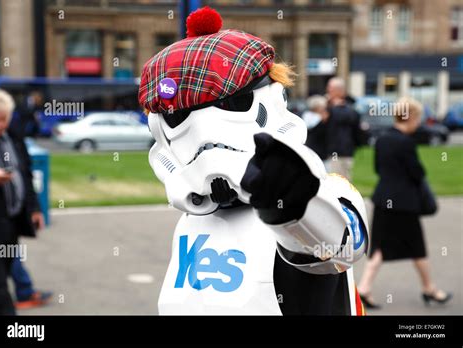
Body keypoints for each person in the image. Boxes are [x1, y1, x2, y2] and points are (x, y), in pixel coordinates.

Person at [139, 7, 369, 315]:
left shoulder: (327, 191)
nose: (207, 137)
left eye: (233, 102)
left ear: (273, 101)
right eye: (178, 116)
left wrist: (296, 205)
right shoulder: (193, 221)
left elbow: (338, 246)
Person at [357, 97, 452, 309]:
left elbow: (378, 169)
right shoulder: (406, 142)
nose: (419, 122)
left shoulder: (382, 139)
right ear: (412, 117)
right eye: (418, 117)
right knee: (416, 246)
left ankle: (363, 288)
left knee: (380, 246)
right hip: (404, 203)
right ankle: (430, 289)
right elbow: (417, 173)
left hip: (383, 199)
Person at [0, 88, 45, 315]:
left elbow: (26, 172)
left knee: (2, 274)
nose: (0, 124)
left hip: (10, 224)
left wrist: (34, 208)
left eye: (4, 119)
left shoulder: (12, 136)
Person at [325, 77, 362, 180]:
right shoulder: (329, 106)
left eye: (330, 89)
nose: (328, 90)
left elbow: (351, 122)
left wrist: (332, 107)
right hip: (330, 151)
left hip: (340, 152)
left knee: (339, 183)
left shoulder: (348, 108)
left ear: (338, 91)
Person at [302, 95, 329, 160]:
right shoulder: (320, 118)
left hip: (310, 148)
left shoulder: (305, 115)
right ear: (317, 107)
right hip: (317, 150)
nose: (325, 108)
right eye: (323, 107)